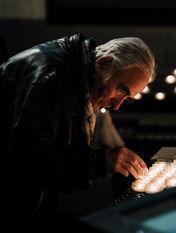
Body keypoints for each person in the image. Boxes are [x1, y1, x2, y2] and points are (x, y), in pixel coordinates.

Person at [0, 33, 155, 226]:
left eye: (127, 98)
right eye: (120, 90)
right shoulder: (49, 79)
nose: (117, 106)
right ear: (103, 64)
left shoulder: (76, 76)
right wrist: (101, 161)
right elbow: (29, 161)